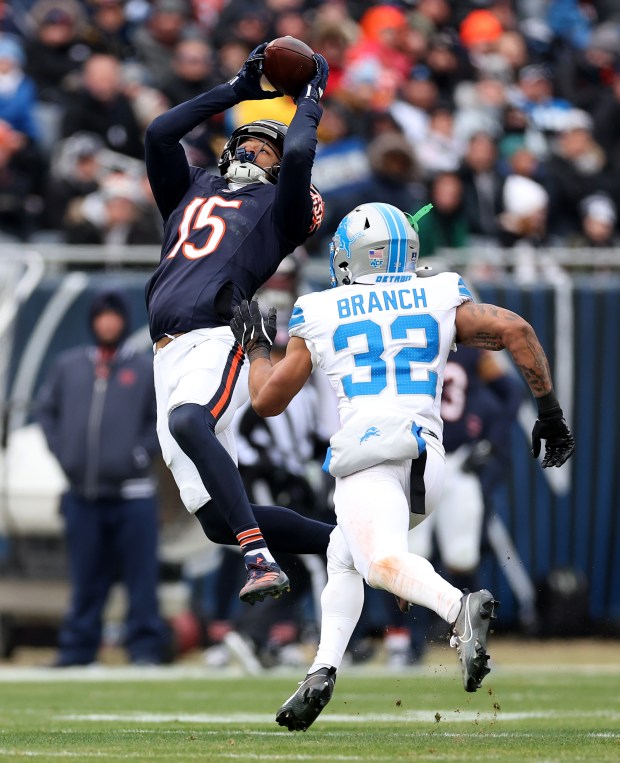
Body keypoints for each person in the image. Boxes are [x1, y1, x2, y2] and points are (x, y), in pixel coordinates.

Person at [230, 201, 575, 731]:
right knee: (343, 551)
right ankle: (322, 669)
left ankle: (456, 609)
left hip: (369, 453)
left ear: (354, 258)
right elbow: (517, 331)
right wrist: (549, 414)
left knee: (377, 561)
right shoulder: (440, 292)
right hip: (428, 458)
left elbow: (268, 400)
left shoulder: (319, 309)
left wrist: (255, 350)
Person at [144, 41, 334, 606]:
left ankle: (259, 558)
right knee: (214, 520)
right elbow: (159, 133)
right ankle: (350, 547)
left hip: (215, 335)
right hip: (167, 351)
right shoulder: (193, 186)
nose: (256, 145)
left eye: (266, 146)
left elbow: (300, 155)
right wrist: (236, 91)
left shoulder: (281, 212)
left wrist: (311, 98)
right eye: (247, 137)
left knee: (187, 423)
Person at [35, 290, 168, 666]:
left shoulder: (143, 367)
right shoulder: (69, 365)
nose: (107, 323)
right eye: (101, 316)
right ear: (92, 322)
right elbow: (47, 413)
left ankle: (144, 649)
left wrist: (139, 454)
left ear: (123, 321)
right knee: (86, 578)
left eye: (114, 316)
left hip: (133, 495)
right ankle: (77, 649)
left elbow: (160, 421)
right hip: (82, 494)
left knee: (141, 578)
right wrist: (64, 453)